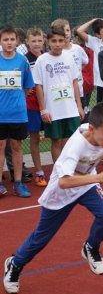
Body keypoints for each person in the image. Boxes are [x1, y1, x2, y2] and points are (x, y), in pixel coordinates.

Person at [3, 103, 103, 294]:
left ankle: (91, 247)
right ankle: (15, 264)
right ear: (92, 129)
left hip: (86, 184)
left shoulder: (100, 131)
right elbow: (64, 182)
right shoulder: (75, 146)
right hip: (62, 191)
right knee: (41, 238)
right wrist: (99, 178)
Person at [33, 27, 85, 162]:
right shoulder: (42, 60)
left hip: (70, 108)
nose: (57, 44)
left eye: (60, 41)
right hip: (53, 110)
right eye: (54, 41)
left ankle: (70, 170)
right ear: (48, 42)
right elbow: (38, 86)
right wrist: (43, 109)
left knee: (70, 142)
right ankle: (59, 172)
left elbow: (74, 82)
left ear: (65, 41)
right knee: (56, 142)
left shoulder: (69, 57)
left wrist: (79, 106)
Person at [0, 25, 35, 198]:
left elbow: (28, 87)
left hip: (18, 113)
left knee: (16, 146)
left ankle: (18, 183)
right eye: (5, 39)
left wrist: (16, 100)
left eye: (12, 39)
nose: (9, 43)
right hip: (0, 113)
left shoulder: (22, 61)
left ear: (17, 41)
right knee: (0, 147)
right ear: (0, 41)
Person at [51, 18, 89, 113]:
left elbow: (84, 63)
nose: (66, 33)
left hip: (78, 92)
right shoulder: (55, 53)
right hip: (61, 95)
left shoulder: (78, 49)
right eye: (62, 31)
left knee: (80, 120)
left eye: (68, 30)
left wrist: (76, 72)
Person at [25, 27, 47, 186]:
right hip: (32, 106)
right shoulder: (24, 60)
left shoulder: (48, 57)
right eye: (33, 41)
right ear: (27, 42)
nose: (37, 43)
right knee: (34, 138)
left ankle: (61, 169)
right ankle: (39, 172)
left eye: (39, 40)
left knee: (57, 138)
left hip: (51, 105)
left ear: (44, 41)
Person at [76, 17, 103, 103]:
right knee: (102, 109)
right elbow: (79, 31)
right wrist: (93, 20)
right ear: (98, 35)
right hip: (101, 82)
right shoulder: (95, 42)